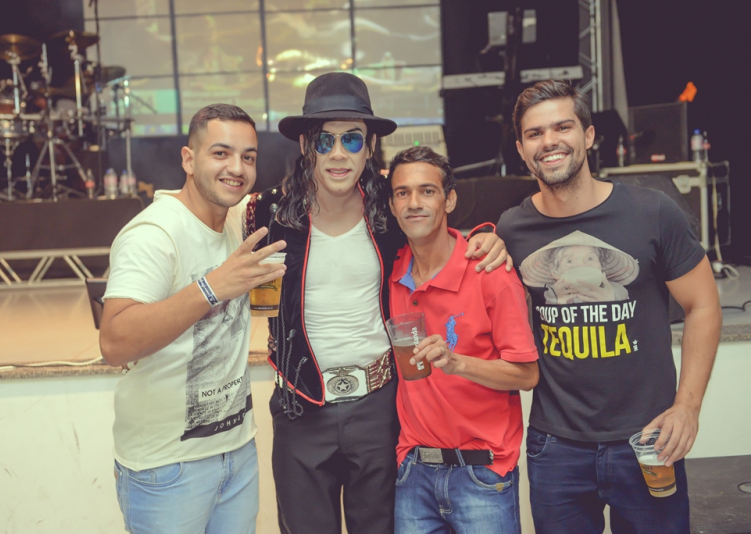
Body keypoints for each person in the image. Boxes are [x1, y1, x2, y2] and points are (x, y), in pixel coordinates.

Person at [247, 72, 510, 534]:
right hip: (300, 406)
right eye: (325, 140)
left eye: (351, 139)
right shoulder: (269, 212)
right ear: (306, 146)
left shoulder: (388, 210)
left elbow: (440, 231)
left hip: (379, 406)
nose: (338, 153)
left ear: (369, 147)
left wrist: (489, 238)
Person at [495, 80, 721, 533]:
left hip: (648, 439)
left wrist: (688, 407)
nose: (549, 141)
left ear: (589, 135)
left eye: (563, 127)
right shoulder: (512, 228)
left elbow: (703, 305)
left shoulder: (652, 212)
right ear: (521, 149)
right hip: (555, 445)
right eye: (535, 133)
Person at [99, 104, 287, 534]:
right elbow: (114, 342)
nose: (236, 168)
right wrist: (211, 287)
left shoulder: (239, 218)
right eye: (220, 153)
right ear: (188, 159)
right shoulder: (154, 235)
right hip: (168, 467)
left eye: (248, 157)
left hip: (236, 450)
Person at [386, 146, 539, 534]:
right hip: (413, 473)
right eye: (402, 193)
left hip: (481, 474)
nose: (414, 203)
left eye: (427, 191)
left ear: (449, 199)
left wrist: (456, 363)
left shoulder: (490, 271)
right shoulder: (391, 270)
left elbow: (527, 374)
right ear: (391, 205)